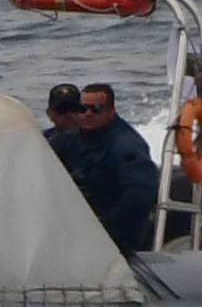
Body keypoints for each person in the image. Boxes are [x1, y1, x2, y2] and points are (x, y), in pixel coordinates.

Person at [41, 79, 159, 250]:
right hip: (74, 228)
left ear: (111, 111)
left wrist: (105, 229)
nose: (88, 113)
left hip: (114, 237)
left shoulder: (126, 146)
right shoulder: (70, 138)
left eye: (95, 109)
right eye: (82, 108)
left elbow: (139, 196)